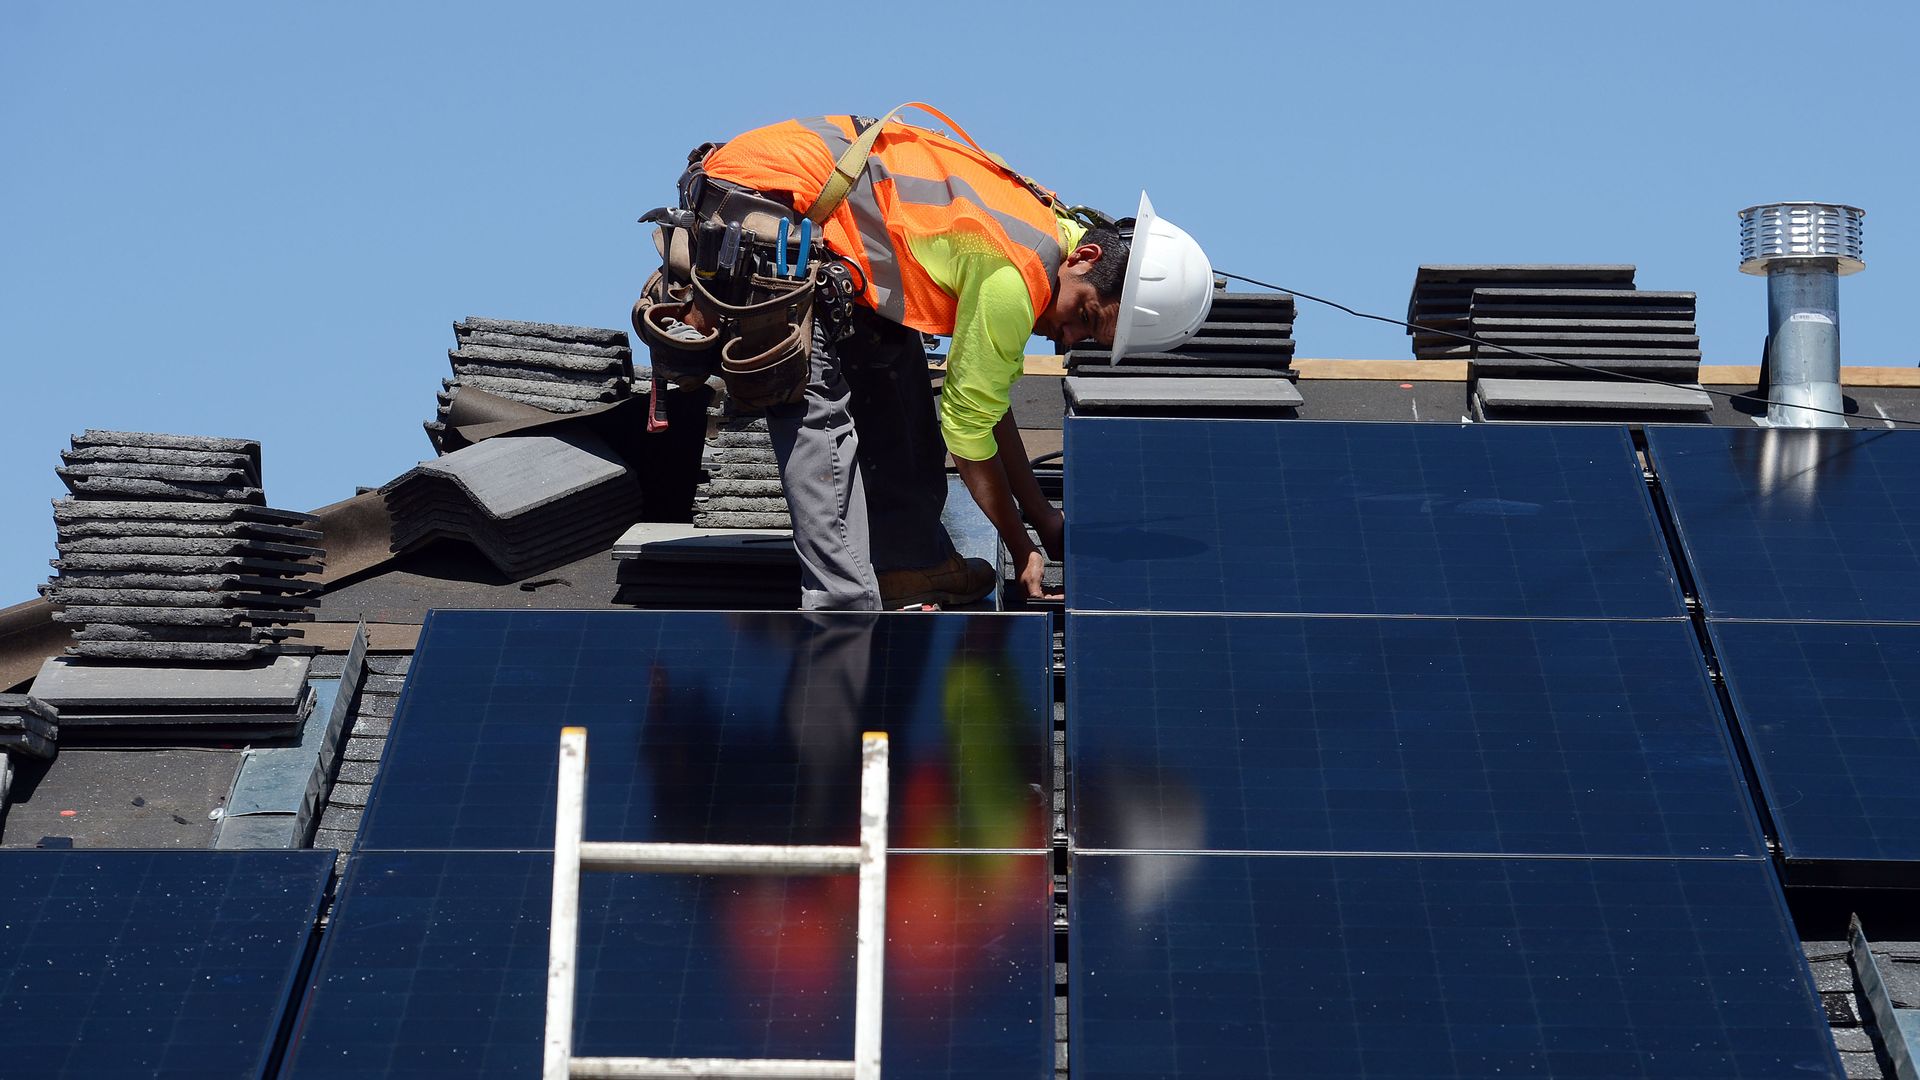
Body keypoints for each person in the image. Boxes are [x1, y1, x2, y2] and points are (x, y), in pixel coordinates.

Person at [658, 107, 1214, 610]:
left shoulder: (1048, 234)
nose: (1067, 338)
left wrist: (1042, 518)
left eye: (1088, 338)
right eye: (1086, 317)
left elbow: (984, 398)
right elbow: (969, 434)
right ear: (1087, 258)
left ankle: (911, 564)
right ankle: (842, 609)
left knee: (893, 356)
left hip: (790, 206)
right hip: (758, 212)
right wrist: (1022, 549)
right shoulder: (1012, 276)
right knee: (817, 408)